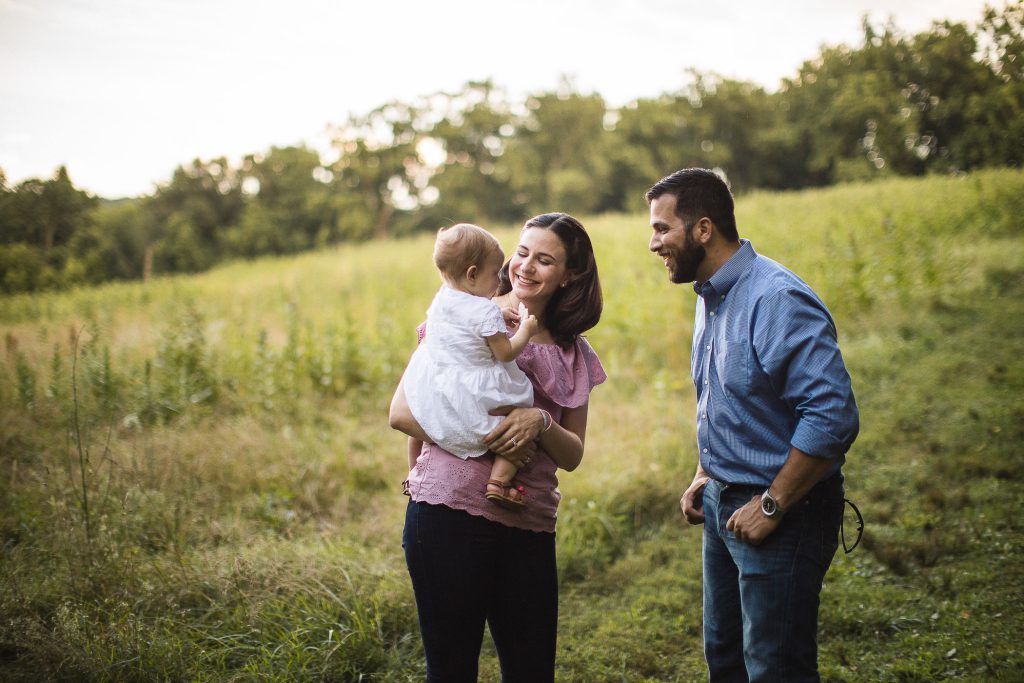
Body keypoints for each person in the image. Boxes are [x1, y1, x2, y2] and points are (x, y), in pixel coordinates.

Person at [645, 168, 859, 682]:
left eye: (661, 229)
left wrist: (772, 503)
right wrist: (704, 473)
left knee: (774, 666)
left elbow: (832, 416)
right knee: (726, 658)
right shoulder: (710, 296)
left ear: (702, 229)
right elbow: (729, 400)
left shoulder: (776, 298)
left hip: (784, 509)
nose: (653, 244)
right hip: (722, 500)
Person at [389, 212, 605, 682]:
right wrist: (430, 466)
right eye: (522, 253)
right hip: (448, 514)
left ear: (571, 275)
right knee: (451, 672)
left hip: (529, 524)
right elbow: (405, 412)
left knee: (531, 673)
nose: (525, 267)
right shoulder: (463, 316)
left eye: (544, 260)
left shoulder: (576, 354)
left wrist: (539, 421)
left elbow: (572, 455)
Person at [399, 222, 541, 510]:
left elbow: (463, 323)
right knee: (517, 420)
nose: (499, 281)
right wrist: (526, 330)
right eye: (494, 274)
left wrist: (497, 316)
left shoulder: (443, 298)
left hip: (441, 382)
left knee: (425, 411)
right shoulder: (485, 310)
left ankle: (415, 474)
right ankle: (499, 482)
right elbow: (504, 353)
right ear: (472, 274)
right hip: (476, 388)